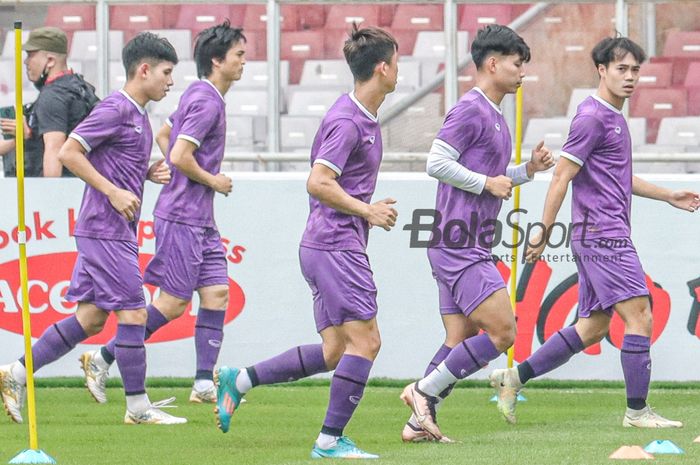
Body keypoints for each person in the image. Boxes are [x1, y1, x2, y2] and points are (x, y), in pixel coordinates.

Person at [490, 36, 699, 428]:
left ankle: (513, 378)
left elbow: (618, 176)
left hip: (603, 232)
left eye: (636, 70)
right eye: (622, 69)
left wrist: (668, 194)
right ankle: (637, 413)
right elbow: (561, 177)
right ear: (602, 71)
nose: (630, 77)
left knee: (592, 327)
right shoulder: (592, 117)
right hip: (602, 234)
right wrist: (542, 230)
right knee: (640, 315)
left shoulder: (613, 117)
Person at [214, 24, 399, 459]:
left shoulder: (361, 117)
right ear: (383, 67)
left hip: (325, 244)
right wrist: (368, 210)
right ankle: (329, 441)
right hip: (334, 244)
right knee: (366, 342)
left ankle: (240, 379)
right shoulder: (348, 120)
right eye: (396, 63)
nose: (399, 71)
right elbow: (318, 182)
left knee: (336, 350)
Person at [0, 32, 183, 425]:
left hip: (109, 229)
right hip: (105, 229)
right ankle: (138, 408)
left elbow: (109, 159)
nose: (170, 81)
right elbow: (69, 151)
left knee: (92, 318)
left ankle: (14, 373)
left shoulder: (138, 113)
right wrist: (115, 191)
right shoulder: (116, 107)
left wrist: (143, 174)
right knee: (134, 314)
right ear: (144, 69)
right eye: (167, 72)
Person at [398, 24, 554, 442]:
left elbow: (495, 175)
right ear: (492, 63)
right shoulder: (471, 108)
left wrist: (528, 172)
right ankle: (422, 391)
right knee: (504, 332)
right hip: (459, 242)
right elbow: (436, 162)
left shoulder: (496, 114)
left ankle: (418, 423)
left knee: (459, 337)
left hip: (462, 241)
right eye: (517, 64)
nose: (522, 73)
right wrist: (486, 184)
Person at [79, 21, 243, 405]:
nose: (244, 62)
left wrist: (174, 172)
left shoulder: (201, 95)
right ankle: (102, 358)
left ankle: (203, 383)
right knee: (171, 304)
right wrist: (212, 181)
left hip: (199, 217)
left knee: (217, 293)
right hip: (183, 214)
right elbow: (181, 154)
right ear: (217, 60)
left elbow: (167, 136)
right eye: (239, 55)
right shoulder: (205, 100)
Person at [0, 27, 99, 177]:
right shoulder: (80, 87)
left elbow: (54, 150)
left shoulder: (53, 96)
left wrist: (50, 195)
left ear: (50, 60)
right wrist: (25, 137)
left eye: (31, 55)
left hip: (61, 190)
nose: (26, 62)